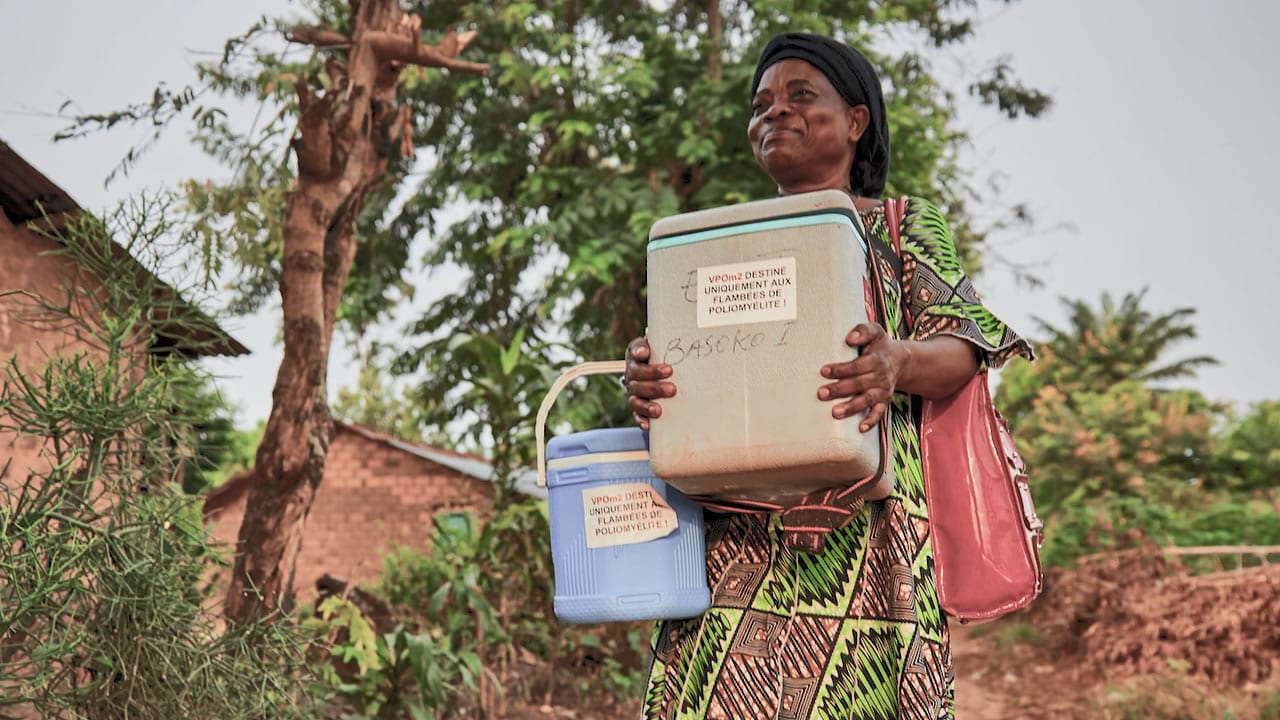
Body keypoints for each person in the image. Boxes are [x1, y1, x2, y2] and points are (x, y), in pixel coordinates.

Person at [624, 32, 1034, 720]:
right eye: (760, 105)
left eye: (799, 96)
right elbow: (694, 378)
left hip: (872, 547)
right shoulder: (715, 245)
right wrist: (649, 382)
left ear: (855, 121)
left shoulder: (903, 228)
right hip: (737, 545)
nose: (773, 113)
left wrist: (895, 360)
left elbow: (965, 345)